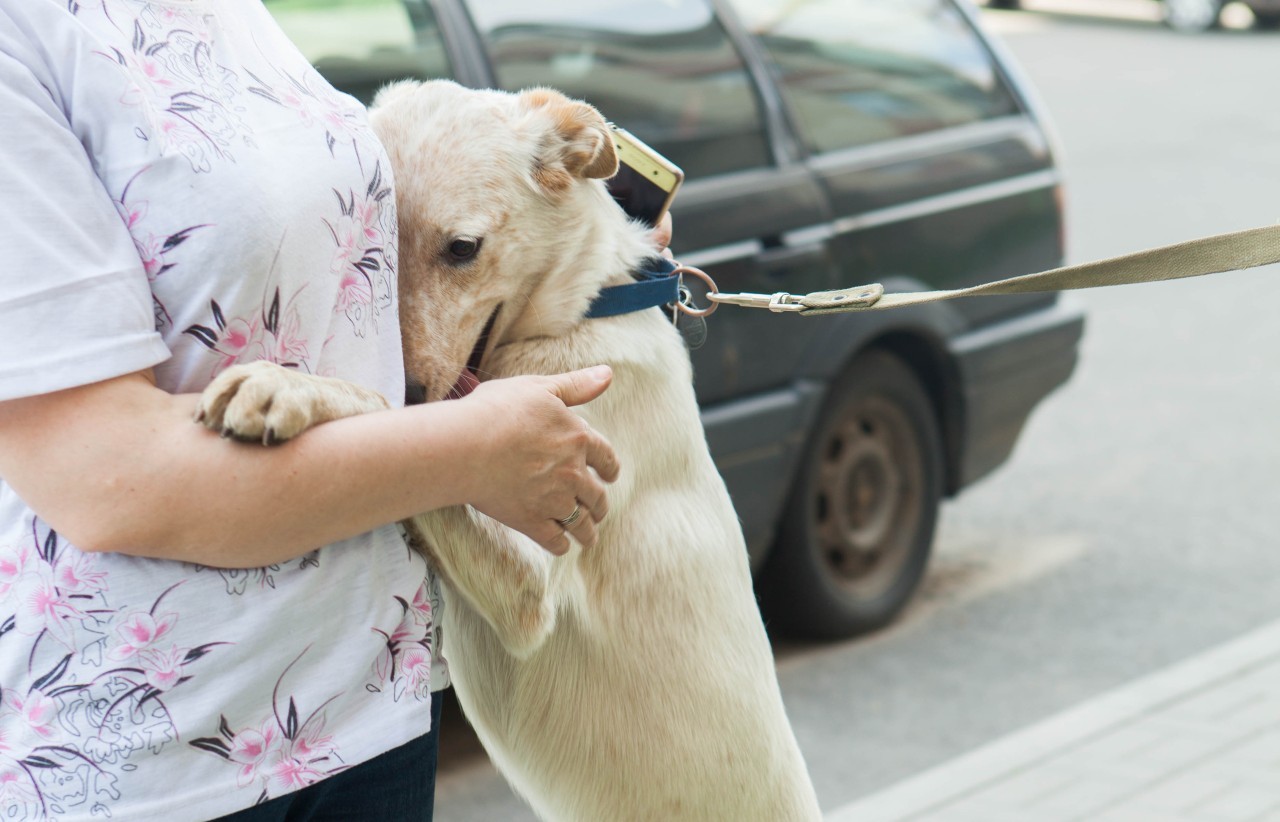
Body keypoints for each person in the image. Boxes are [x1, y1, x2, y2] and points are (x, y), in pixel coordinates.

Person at [0, 1, 667, 819]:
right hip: (153, 759)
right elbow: (107, 479)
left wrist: (610, 222)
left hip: (373, 703)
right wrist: (460, 449)